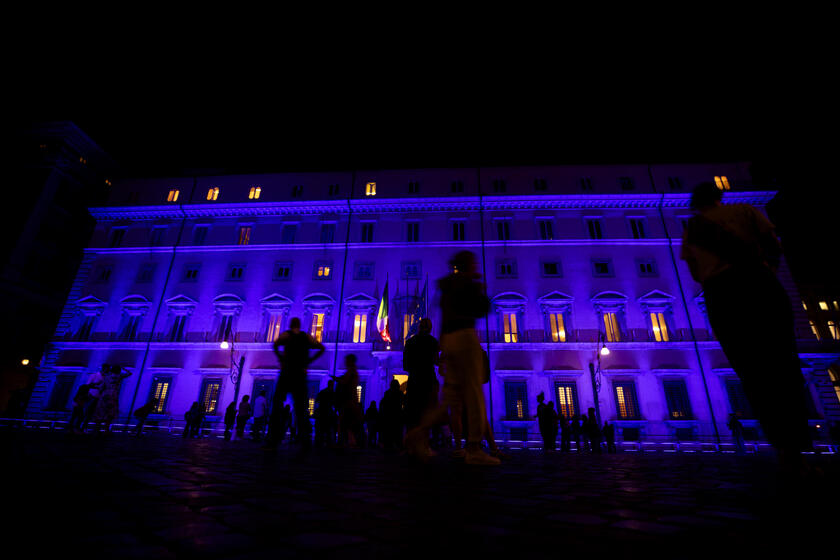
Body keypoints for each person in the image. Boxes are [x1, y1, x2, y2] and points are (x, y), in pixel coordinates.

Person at [680, 182, 811, 469]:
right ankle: (798, 445)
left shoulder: (694, 228)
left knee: (749, 368)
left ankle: (783, 446)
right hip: (760, 284)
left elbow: (694, 272)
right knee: (784, 361)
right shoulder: (746, 211)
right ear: (719, 197)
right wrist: (766, 275)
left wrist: (717, 286)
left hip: (722, 295)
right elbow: (774, 247)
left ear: (696, 202)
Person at [405, 251, 499, 465]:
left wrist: (443, 350)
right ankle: (474, 448)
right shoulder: (466, 283)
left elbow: (444, 319)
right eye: (473, 263)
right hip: (466, 338)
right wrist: (478, 285)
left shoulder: (446, 285)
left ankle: (418, 432)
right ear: (467, 265)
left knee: (449, 399)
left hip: (450, 340)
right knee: (474, 394)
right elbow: (483, 307)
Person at [265, 317, 325, 450]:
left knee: (277, 405)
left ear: (291, 324)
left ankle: (273, 440)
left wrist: (281, 358)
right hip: (300, 374)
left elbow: (275, 345)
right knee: (301, 408)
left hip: (286, 373)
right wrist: (308, 361)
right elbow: (321, 348)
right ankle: (305, 441)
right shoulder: (306, 337)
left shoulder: (286, 335)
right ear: (300, 325)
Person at [403, 318, 440, 431]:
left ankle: (411, 443)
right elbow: (436, 361)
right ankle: (425, 442)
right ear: (430, 329)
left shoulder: (410, 342)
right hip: (428, 380)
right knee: (427, 412)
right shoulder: (433, 342)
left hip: (414, 381)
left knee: (413, 414)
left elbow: (405, 366)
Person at [91, 365, 131, 434]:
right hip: (113, 395)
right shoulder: (119, 376)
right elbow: (129, 373)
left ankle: (97, 429)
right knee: (110, 414)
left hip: (105, 394)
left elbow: (102, 387)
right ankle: (106, 429)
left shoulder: (107, 377)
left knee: (101, 412)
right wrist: (123, 368)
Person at [334, 354, 363, 447]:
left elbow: (345, 382)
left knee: (345, 423)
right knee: (349, 424)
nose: (345, 363)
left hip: (348, 400)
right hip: (351, 400)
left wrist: (338, 379)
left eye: (346, 360)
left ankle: (345, 442)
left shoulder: (351, 371)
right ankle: (351, 442)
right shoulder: (354, 371)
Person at [78, 365, 106, 432]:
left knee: (91, 414)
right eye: (106, 369)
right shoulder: (94, 375)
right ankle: (80, 427)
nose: (107, 371)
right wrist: (97, 386)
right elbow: (87, 385)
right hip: (91, 395)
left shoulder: (105, 377)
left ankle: (85, 427)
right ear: (103, 369)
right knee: (86, 412)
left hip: (99, 396)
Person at [379, 379, 404, 450]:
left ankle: (388, 446)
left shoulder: (388, 393)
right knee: (397, 433)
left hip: (389, 416)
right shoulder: (400, 393)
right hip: (397, 415)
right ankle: (397, 446)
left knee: (389, 433)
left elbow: (384, 404)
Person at [314, 380, 336, 447]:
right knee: (328, 429)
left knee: (321, 429)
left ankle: (319, 443)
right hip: (328, 412)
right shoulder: (332, 393)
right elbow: (335, 403)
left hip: (322, 412)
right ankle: (328, 443)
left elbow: (317, 401)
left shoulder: (322, 392)